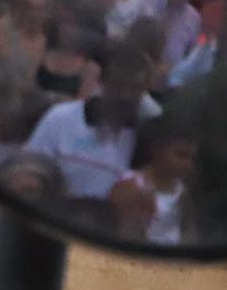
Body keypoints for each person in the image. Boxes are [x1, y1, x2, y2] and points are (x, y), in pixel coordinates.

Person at [22, 42, 150, 205]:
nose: (125, 95)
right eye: (119, 84)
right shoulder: (60, 118)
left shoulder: (140, 140)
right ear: (102, 81)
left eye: (135, 88)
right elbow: (29, 170)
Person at [110, 123, 197, 246]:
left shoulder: (181, 190)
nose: (188, 164)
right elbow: (122, 234)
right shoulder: (130, 186)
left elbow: (188, 228)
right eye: (181, 155)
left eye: (192, 158)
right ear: (158, 152)